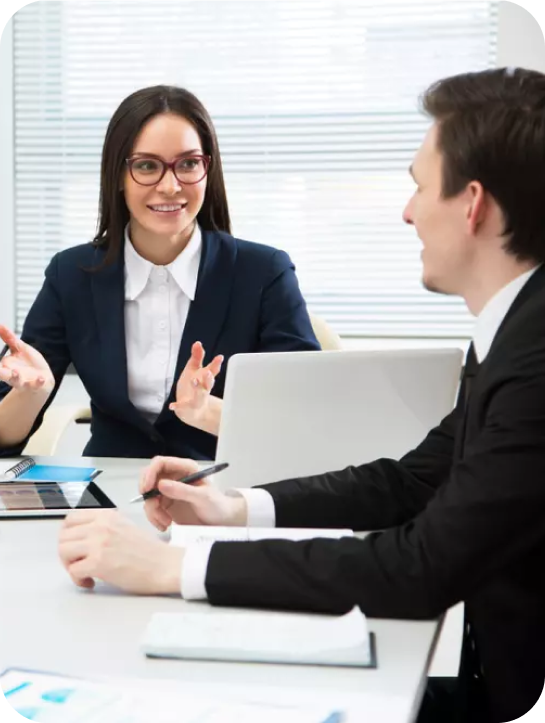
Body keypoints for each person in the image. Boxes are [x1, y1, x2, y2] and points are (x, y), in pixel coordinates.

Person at [58, 66, 545, 721]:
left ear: (472, 203)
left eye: (417, 187)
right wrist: (235, 509)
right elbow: (411, 482)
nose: (405, 211)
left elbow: (420, 565)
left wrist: (173, 570)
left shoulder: (535, 362)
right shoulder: (509, 335)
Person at [0, 85, 319, 459]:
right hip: (107, 492)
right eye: (147, 165)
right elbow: (5, 436)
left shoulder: (264, 273)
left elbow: (304, 422)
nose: (170, 186)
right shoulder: (70, 275)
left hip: (223, 493)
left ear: (207, 169)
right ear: (118, 174)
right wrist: (31, 393)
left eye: (187, 164)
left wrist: (211, 413)